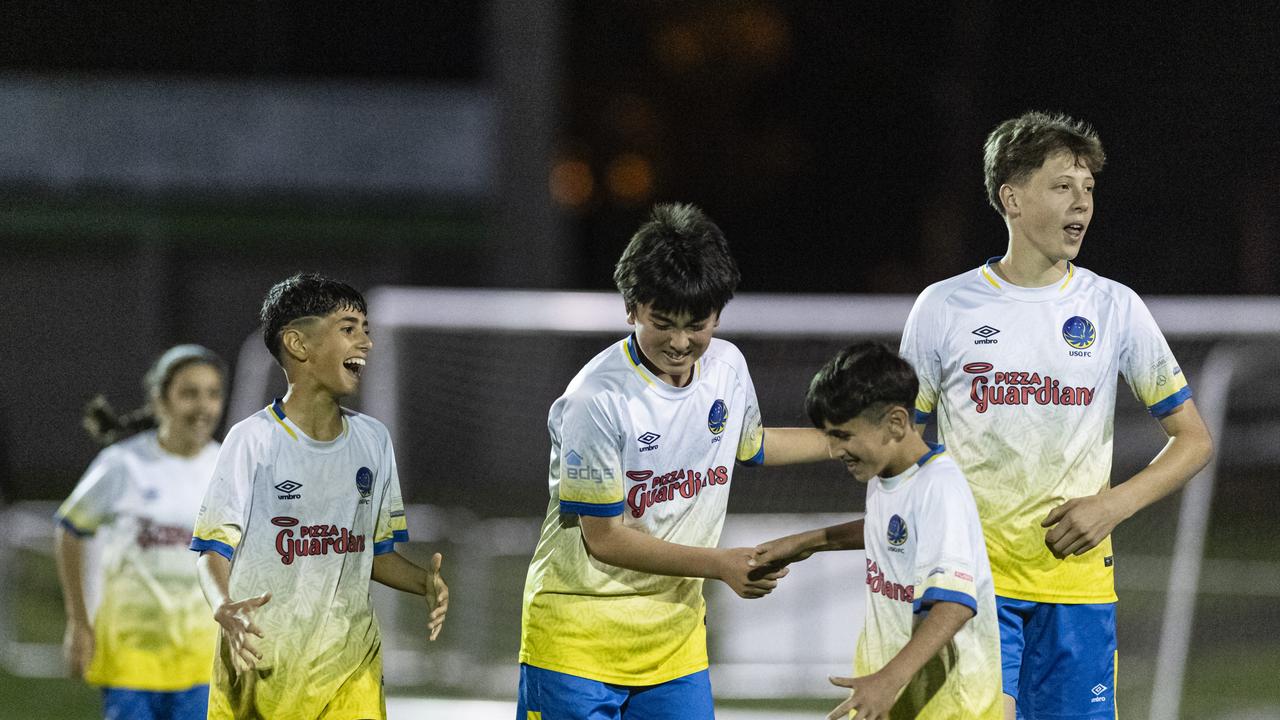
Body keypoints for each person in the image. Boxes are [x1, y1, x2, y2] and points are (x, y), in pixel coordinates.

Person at [898, 111, 1214, 719]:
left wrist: (1113, 505)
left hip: (1079, 593)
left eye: (1089, 189)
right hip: (972, 591)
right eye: (1063, 186)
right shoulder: (943, 308)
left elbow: (1193, 440)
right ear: (1010, 198)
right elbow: (903, 445)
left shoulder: (1113, 307)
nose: (1082, 204)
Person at [517, 203, 833, 720]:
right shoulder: (594, 400)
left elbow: (749, 444)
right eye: (662, 323)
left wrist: (842, 441)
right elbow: (604, 539)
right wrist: (722, 566)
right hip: (577, 641)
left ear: (718, 314)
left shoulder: (727, 365)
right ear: (631, 309)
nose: (681, 342)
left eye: (697, 325)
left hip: (674, 644)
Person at [190, 273, 449, 720]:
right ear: (298, 344)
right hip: (266, 672)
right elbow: (213, 548)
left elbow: (375, 553)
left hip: (352, 672)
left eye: (366, 329)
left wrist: (424, 581)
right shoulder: (251, 441)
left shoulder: (373, 440)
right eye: (348, 329)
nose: (366, 342)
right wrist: (223, 606)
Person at [752, 342, 1002, 719]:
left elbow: (954, 605)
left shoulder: (939, 486)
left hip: (952, 706)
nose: (834, 450)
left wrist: (888, 679)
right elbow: (891, 531)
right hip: (900, 696)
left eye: (843, 435)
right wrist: (808, 543)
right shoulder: (887, 472)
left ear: (896, 423)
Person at [55, 344, 228, 720]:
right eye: (189, 393)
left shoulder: (228, 468)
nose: (204, 407)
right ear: (160, 400)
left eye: (213, 394)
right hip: (131, 654)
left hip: (201, 657)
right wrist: (79, 622)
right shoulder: (124, 465)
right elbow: (70, 530)